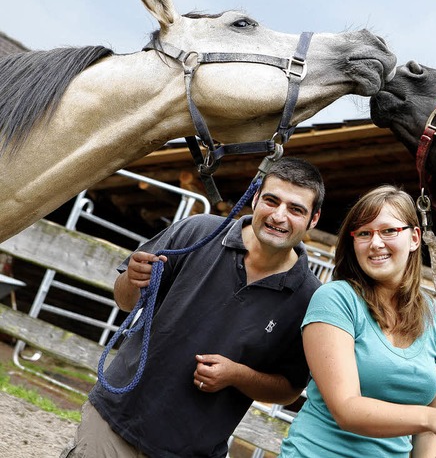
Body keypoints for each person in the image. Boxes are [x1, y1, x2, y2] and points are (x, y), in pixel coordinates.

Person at [62, 157, 325, 458]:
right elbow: (124, 301)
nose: (279, 216)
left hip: (192, 448)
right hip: (114, 419)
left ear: (313, 220)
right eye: (271, 200)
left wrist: (236, 375)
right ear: (255, 198)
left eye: (295, 209)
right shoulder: (198, 232)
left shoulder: (310, 298)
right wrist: (132, 280)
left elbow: (288, 388)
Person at [279, 185, 436, 458]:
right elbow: (346, 410)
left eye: (389, 231)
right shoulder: (336, 299)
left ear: (415, 238)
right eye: (364, 233)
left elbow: (430, 435)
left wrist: (434, 422)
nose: (376, 243)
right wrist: (431, 418)